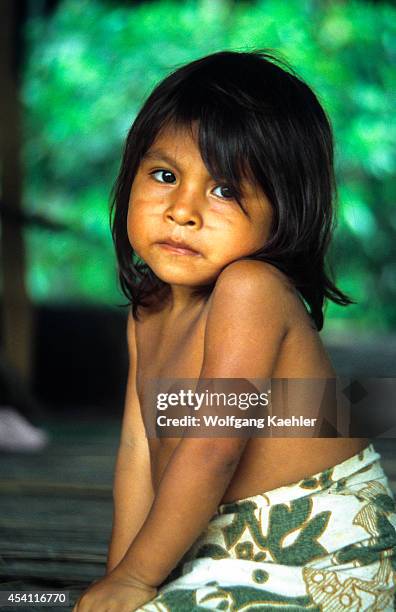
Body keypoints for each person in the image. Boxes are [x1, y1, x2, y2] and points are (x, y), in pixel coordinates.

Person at [72, 50, 396, 611]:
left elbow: (213, 448)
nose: (182, 209)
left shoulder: (252, 289)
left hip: (325, 555)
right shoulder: (148, 308)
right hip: (215, 544)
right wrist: (120, 579)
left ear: (284, 209)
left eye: (224, 190)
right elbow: (136, 453)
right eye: (165, 175)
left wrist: (136, 581)